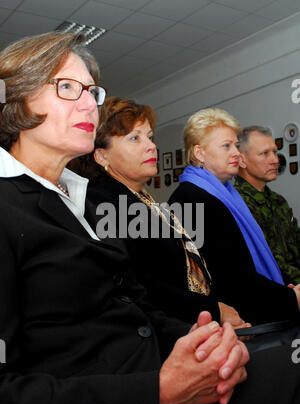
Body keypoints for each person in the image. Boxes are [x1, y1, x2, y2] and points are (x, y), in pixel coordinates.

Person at [0, 33, 300, 404]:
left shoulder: (80, 201)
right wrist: (157, 396)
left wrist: (202, 339)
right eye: (67, 87)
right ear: (14, 98)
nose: (89, 103)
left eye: (91, 91)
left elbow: (133, 305)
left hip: (159, 373)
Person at [70, 96, 249, 329]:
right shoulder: (102, 203)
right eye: (134, 138)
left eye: (150, 137)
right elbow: (140, 288)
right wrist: (215, 310)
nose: (151, 146)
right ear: (102, 156)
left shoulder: (143, 201)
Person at [169, 108, 300, 325]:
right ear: (200, 153)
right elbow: (230, 282)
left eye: (236, 146)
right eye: (226, 146)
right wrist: (290, 298)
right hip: (236, 325)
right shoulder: (192, 199)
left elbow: (249, 261)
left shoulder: (226, 194)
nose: (236, 153)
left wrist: (285, 286)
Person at [235, 125, 300, 285]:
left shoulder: (278, 201)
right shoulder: (237, 205)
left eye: (275, 152)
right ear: (242, 160)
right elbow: (268, 264)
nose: (275, 160)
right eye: (265, 153)